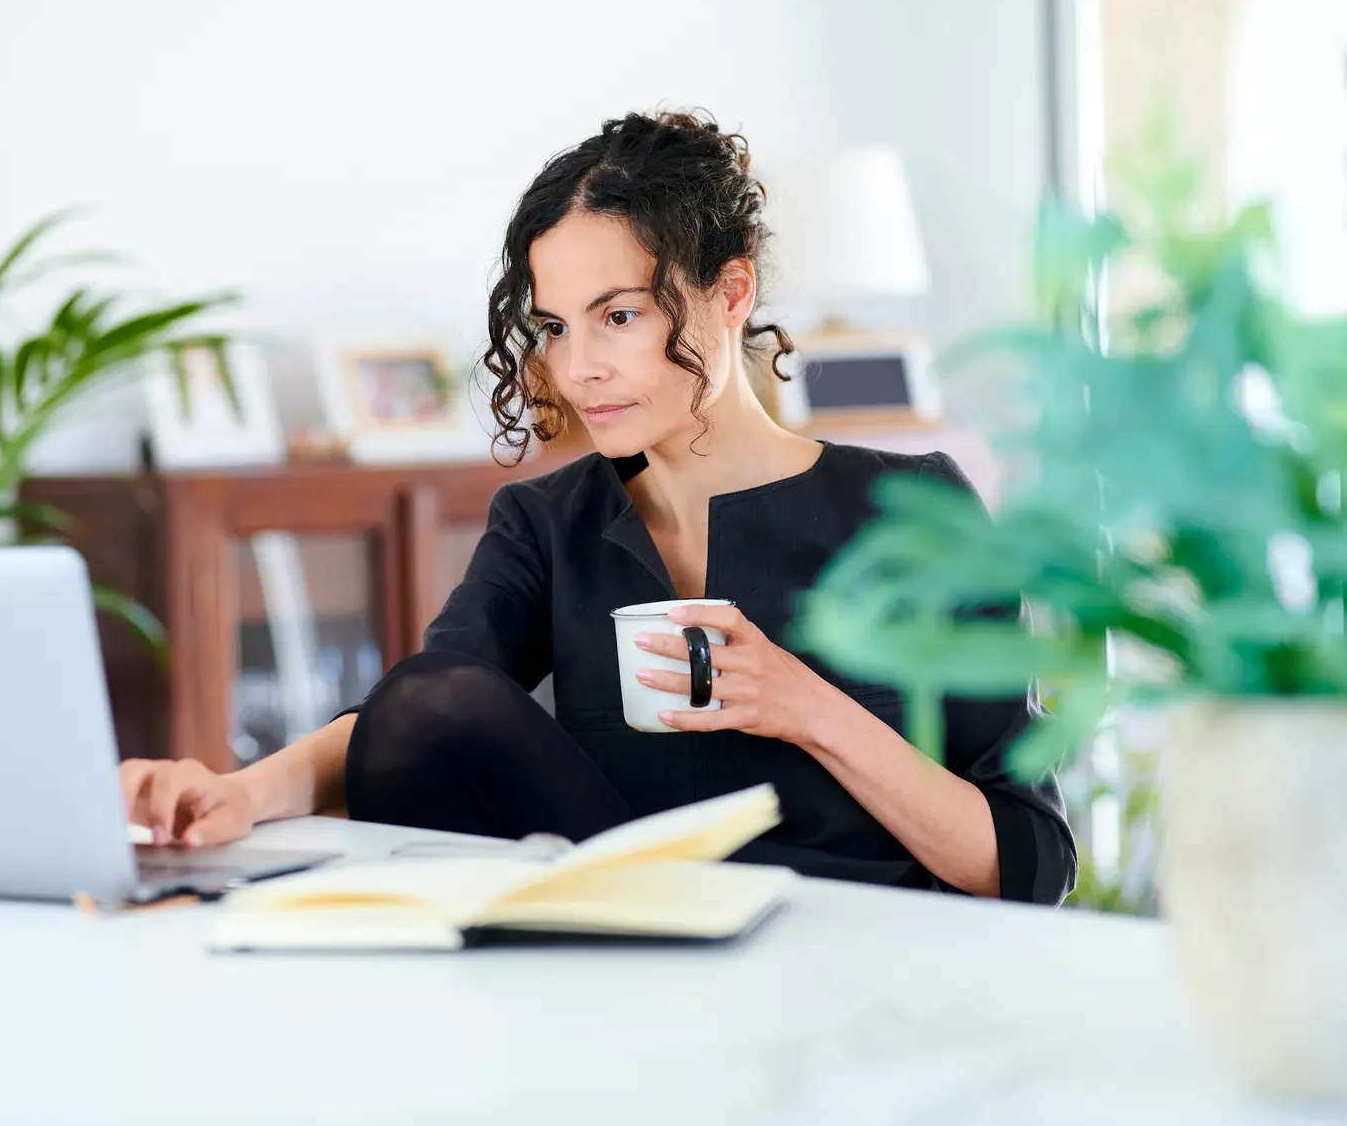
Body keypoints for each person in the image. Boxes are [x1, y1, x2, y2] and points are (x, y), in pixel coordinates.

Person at [121, 111, 1076, 904]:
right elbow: (413, 714)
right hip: (642, 948)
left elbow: (1028, 864)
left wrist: (804, 707)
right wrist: (239, 793)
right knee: (425, 699)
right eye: (556, 326)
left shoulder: (909, 506)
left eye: (620, 315)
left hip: (852, 961)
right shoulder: (547, 523)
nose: (580, 368)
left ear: (731, 292)